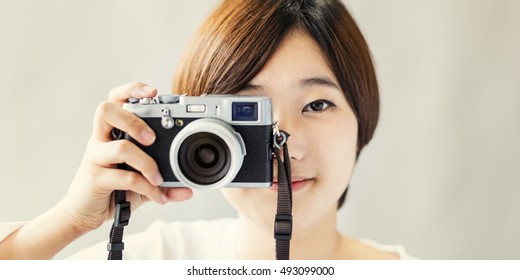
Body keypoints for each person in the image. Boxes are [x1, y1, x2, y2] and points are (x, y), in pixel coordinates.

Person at [0, 0, 414, 259]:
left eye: (318, 104)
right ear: (197, 129)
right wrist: (70, 221)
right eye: (247, 110)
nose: (284, 144)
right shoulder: (155, 260)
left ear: (363, 118)